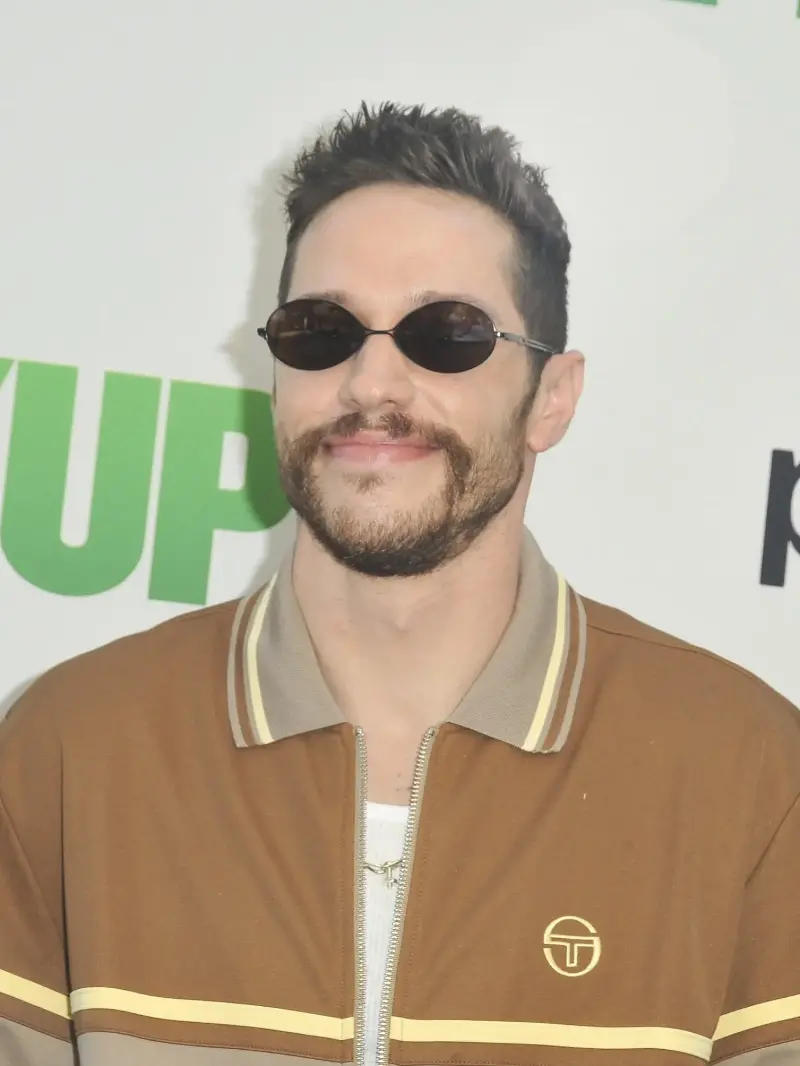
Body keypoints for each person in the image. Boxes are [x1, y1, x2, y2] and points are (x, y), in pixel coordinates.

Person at [0, 102, 798, 1066]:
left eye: (447, 333)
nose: (369, 382)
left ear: (552, 398)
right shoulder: (69, 747)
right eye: (320, 330)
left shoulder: (751, 774)